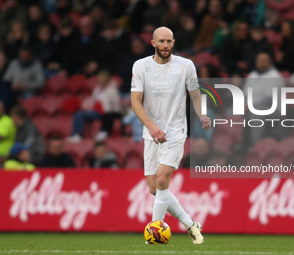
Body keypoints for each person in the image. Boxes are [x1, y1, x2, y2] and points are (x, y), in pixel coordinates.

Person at [131, 27, 211, 244]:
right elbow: (135, 101)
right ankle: (190, 225)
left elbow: (195, 96)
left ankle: (153, 234)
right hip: (151, 133)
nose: (165, 45)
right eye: (161, 41)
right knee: (154, 188)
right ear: (153, 43)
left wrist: (202, 115)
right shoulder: (141, 66)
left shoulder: (185, 66)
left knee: (162, 178)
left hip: (175, 132)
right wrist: (151, 126)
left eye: (169, 41)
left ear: (173, 42)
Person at [243, 52, 285, 146]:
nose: (261, 63)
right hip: (251, 108)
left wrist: (250, 107)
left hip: (272, 110)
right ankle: (237, 148)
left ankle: (256, 147)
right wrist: (244, 105)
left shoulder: (275, 76)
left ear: (270, 62)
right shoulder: (252, 75)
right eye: (259, 61)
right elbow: (245, 94)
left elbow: (269, 99)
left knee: (257, 113)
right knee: (230, 112)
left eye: (264, 61)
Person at [68, 70, 122, 143]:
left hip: (106, 112)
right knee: (78, 114)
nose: (102, 83)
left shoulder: (113, 90)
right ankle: (77, 134)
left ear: (107, 80)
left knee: (108, 115)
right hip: (96, 111)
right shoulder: (97, 88)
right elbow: (93, 100)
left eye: (104, 81)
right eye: (100, 81)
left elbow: (116, 105)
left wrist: (112, 113)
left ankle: (102, 132)